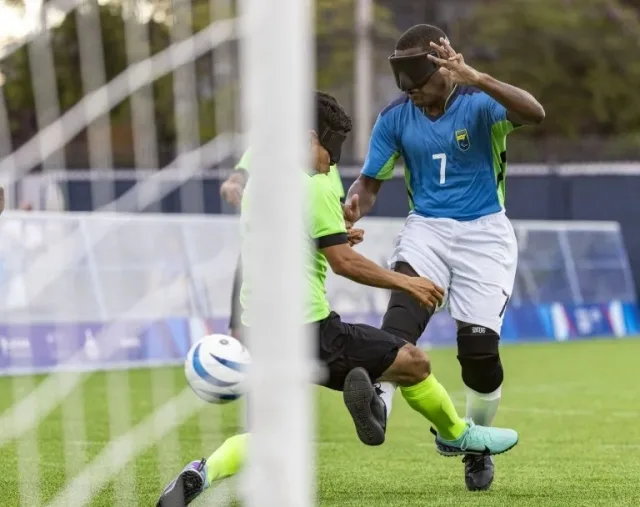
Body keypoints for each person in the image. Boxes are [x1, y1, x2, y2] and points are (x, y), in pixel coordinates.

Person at [156, 91, 520, 506]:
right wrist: (408, 284)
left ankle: (199, 474)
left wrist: (334, 234)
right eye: (331, 150)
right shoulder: (312, 188)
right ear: (311, 139)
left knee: (272, 434)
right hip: (310, 331)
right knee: (413, 361)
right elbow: (345, 263)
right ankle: (457, 436)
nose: (332, 161)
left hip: (261, 329)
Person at [343, 24, 545, 492]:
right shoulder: (395, 117)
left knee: (479, 356)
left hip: (485, 234)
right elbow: (369, 184)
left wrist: (480, 78)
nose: (416, 97)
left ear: (446, 70)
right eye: (408, 90)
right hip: (426, 229)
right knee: (400, 324)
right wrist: (354, 203)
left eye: (423, 87)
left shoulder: (480, 102)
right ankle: (376, 401)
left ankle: (474, 448)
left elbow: (535, 112)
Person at [220, 92, 347, 340]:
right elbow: (238, 177)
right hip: (260, 254)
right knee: (241, 332)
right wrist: (231, 185)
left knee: (302, 328)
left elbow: (334, 212)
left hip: (301, 259)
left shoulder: (326, 160)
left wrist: (344, 226)